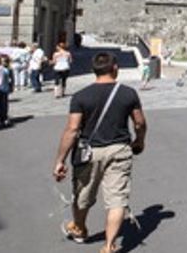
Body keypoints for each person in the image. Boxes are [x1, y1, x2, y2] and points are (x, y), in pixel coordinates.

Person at [53, 52, 146, 253]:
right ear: (114, 69)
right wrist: (140, 140)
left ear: (94, 70)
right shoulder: (128, 93)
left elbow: (72, 129)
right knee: (117, 199)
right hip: (119, 149)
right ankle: (109, 245)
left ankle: (79, 228)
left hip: (89, 150)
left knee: (82, 194)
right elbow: (139, 122)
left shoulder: (81, 96)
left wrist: (60, 160)